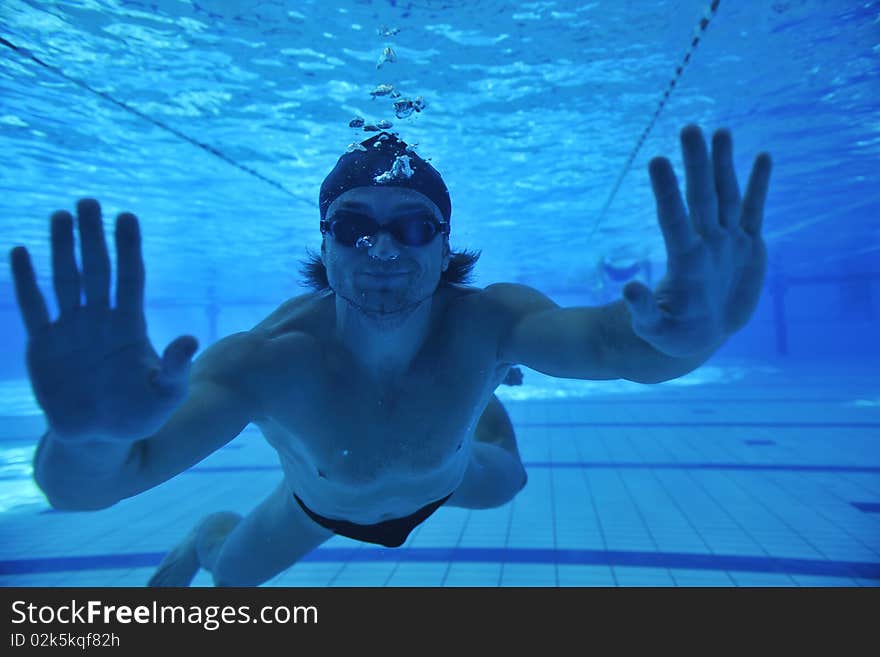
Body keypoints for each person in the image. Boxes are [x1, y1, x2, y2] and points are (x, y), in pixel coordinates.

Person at [9, 125, 771, 586]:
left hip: (452, 476)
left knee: (507, 479)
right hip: (317, 504)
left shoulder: (489, 318)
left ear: (445, 248)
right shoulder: (264, 362)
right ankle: (203, 533)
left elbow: (617, 344)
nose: (381, 247)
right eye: (352, 226)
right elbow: (95, 487)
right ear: (325, 243)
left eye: (412, 226)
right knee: (232, 574)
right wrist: (90, 438)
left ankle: (480, 398)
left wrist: (691, 336)